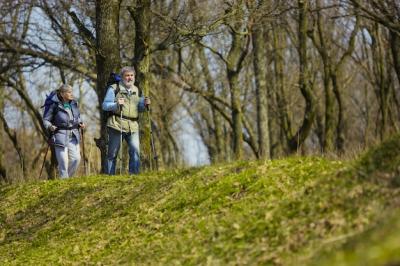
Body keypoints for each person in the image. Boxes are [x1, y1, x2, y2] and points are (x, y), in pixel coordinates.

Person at [102, 66, 150, 175]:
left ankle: (134, 176)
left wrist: (145, 104)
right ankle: (110, 177)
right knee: (112, 154)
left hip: (133, 126)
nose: (130, 78)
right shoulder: (114, 88)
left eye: (132, 75)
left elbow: (140, 108)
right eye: (127, 75)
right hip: (116, 124)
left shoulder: (138, 90)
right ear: (122, 77)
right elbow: (105, 105)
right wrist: (116, 104)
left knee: (135, 151)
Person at [43, 84, 85, 178]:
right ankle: (64, 181)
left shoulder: (74, 103)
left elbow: (77, 117)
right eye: (69, 92)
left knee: (76, 159)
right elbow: (45, 120)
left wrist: (81, 123)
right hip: (60, 136)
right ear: (62, 94)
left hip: (73, 135)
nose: (71, 94)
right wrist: (50, 126)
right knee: (63, 163)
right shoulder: (54, 105)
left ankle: (66, 179)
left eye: (71, 92)